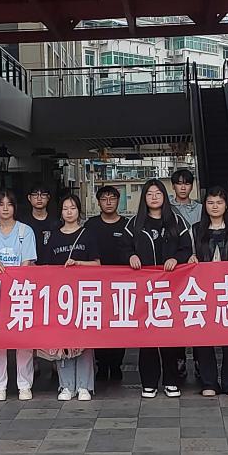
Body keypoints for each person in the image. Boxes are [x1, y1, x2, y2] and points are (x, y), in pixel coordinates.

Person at [123, 179, 193, 398]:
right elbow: (123, 248)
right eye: (149, 194)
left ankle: (171, 381)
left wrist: (175, 259)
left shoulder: (177, 221)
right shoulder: (134, 223)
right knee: (147, 338)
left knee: (169, 337)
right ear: (144, 198)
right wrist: (130, 256)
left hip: (172, 288)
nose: (154, 197)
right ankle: (149, 382)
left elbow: (187, 248)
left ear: (164, 196)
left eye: (158, 193)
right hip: (144, 290)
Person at [188, 186, 228, 397]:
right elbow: (189, 255)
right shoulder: (195, 230)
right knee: (203, 336)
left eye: (219, 202)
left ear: (226, 206)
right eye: (210, 202)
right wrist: (190, 259)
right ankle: (208, 381)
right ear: (205, 206)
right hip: (203, 291)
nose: (215, 207)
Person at [0, 189, 38, 401]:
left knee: (23, 340)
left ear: (14, 207)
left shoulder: (25, 231)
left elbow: (28, 262)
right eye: (1, 204)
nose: (5, 208)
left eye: (9, 204)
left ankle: (24, 385)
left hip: (20, 292)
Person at [42, 194, 101, 400]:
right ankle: (65, 386)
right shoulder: (54, 237)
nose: (69, 212)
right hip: (61, 296)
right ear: (60, 212)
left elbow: (97, 264)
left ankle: (85, 386)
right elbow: (46, 268)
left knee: (85, 340)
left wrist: (78, 264)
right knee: (63, 339)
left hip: (84, 294)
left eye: (73, 208)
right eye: (65, 208)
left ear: (79, 211)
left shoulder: (88, 235)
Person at [86, 185, 128, 381]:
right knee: (99, 325)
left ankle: (116, 364)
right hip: (97, 284)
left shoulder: (127, 225)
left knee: (120, 325)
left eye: (112, 198)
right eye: (104, 199)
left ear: (118, 200)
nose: (108, 202)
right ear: (98, 202)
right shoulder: (91, 225)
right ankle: (101, 365)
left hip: (122, 284)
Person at [169, 168, 201, 378]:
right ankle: (179, 359)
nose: (183, 187)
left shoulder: (201, 208)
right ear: (174, 186)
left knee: (198, 313)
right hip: (177, 266)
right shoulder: (167, 208)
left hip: (198, 267)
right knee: (177, 315)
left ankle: (199, 359)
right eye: (179, 183)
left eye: (187, 183)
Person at [22, 183, 58, 265]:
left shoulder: (56, 223)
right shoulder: (23, 223)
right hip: (28, 267)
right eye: (35, 195)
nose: (39, 198)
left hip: (52, 267)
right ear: (29, 198)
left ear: (48, 197)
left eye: (43, 195)